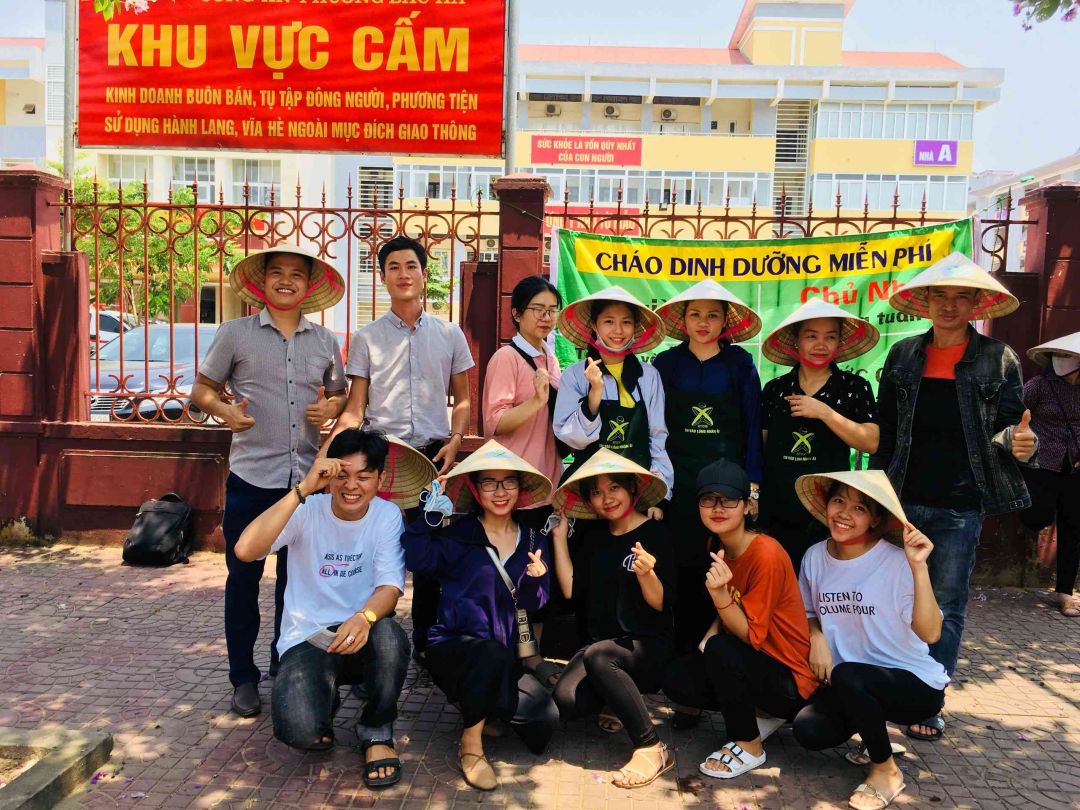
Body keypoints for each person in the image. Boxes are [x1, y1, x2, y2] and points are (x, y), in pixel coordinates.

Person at [873, 252, 1037, 741]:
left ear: (976, 303)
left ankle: (928, 701)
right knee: (890, 600)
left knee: (946, 603)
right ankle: (882, 691)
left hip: (960, 505)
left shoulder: (998, 358)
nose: (949, 305)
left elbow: (1011, 427)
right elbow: (885, 429)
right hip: (900, 499)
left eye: (961, 296)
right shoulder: (903, 355)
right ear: (924, 301)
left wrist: (1021, 443)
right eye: (939, 295)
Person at [191, 246, 347, 717]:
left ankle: (285, 664)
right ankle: (243, 677)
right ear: (261, 283)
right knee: (243, 577)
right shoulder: (235, 334)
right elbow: (201, 391)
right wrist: (224, 411)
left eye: (296, 274)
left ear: (309, 285)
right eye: (276, 273)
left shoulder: (325, 341)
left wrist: (331, 407)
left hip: (305, 483)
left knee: (294, 582)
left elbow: (340, 395)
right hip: (252, 478)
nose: (285, 281)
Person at [233, 429, 415, 788]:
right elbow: (245, 550)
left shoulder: (387, 515)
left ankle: (377, 729)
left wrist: (364, 617)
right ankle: (323, 698)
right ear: (328, 475)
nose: (352, 486)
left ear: (380, 479)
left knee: (391, 638)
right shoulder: (307, 510)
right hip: (308, 638)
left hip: (362, 632)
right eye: (342, 475)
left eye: (363, 476)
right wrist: (302, 490)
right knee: (300, 733)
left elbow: (390, 587)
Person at [332, 234, 475, 661]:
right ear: (382, 277)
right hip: (383, 458)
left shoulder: (450, 334)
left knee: (430, 557)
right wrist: (332, 457)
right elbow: (356, 407)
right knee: (377, 552)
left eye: (411, 266)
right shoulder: (366, 338)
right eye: (393, 267)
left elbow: (463, 400)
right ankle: (373, 646)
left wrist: (454, 442)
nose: (403, 274)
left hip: (433, 458)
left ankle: (428, 647)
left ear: (424, 273)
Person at [401, 440, 558, 791]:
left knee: (543, 722)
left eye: (508, 482)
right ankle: (471, 743)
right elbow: (417, 560)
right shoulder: (459, 535)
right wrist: (428, 517)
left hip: (506, 655)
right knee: (489, 655)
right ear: (475, 489)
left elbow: (534, 603)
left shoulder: (533, 537)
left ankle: (481, 705)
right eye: (489, 483)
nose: (500, 492)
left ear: (519, 487)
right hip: (454, 644)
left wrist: (535, 580)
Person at [791, 470, 948, 810]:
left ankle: (885, 770)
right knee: (809, 731)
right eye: (838, 500)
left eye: (859, 508)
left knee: (850, 675)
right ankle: (872, 734)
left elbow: (931, 633)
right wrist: (816, 636)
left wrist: (919, 567)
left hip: (911, 683)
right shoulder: (815, 556)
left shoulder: (896, 562)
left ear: (875, 520)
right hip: (850, 683)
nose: (844, 513)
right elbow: (807, 611)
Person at [662, 459, 818, 779]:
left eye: (728, 500)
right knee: (679, 678)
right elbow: (735, 610)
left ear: (747, 506)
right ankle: (760, 713)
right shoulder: (717, 544)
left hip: (790, 678)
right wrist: (708, 638)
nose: (718, 508)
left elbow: (750, 634)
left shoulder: (766, 553)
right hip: (755, 663)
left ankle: (749, 743)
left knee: (721, 650)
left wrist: (719, 596)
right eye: (709, 499)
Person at [548, 450, 676, 789]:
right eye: (596, 492)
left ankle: (652, 747)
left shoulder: (657, 534)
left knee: (600, 656)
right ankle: (615, 698)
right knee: (566, 700)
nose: (606, 499)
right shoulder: (594, 537)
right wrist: (559, 539)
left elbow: (661, 604)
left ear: (632, 487)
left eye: (614, 488)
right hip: (602, 646)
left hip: (646, 646)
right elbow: (571, 590)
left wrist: (647, 574)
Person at [652, 280, 765, 654]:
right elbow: (654, 429)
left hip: (727, 490)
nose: (704, 322)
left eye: (713, 315)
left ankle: (719, 655)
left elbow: (752, 427)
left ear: (725, 321)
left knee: (723, 568)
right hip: (679, 486)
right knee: (681, 569)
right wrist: (656, 489)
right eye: (696, 314)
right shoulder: (665, 365)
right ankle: (682, 658)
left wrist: (752, 486)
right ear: (682, 319)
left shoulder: (740, 364)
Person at [482, 275, 565, 685]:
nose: (546, 317)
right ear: (516, 313)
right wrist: (535, 401)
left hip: (547, 487)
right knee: (513, 581)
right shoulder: (506, 358)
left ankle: (531, 659)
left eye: (552, 310)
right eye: (537, 309)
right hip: (515, 491)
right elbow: (494, 423)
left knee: (538, 582)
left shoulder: (550, 356)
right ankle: (511, 661)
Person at [759, 298, 880, 573]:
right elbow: (761, 447)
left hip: (827, 513)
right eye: (811, 336)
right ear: (796, 341)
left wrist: (826, 413)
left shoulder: (854, 387)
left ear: (840, 343)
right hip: (776, 508)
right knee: (778, 580)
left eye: (830, 337)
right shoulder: (775, 389)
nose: (820, 345)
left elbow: (871, 442)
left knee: (823, 584)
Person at [553, 286, 673, 517]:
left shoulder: (648, 376)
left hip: (636, 490)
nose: (618, 330)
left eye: (626, 322)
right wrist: (595, 394)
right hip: (590, 492)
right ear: (594, 325)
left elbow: (657, 437)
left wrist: (659, 495)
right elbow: (571, 439)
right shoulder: (575, 376)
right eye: (609, 321)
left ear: (635, 328)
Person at [1022, 332, 1080, 616]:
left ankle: (1066, 593)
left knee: (1073, 528)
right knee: (1037, 515)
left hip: (1075, 466)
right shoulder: (1038, 387)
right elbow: (1014, 416)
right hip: (1041, 463)